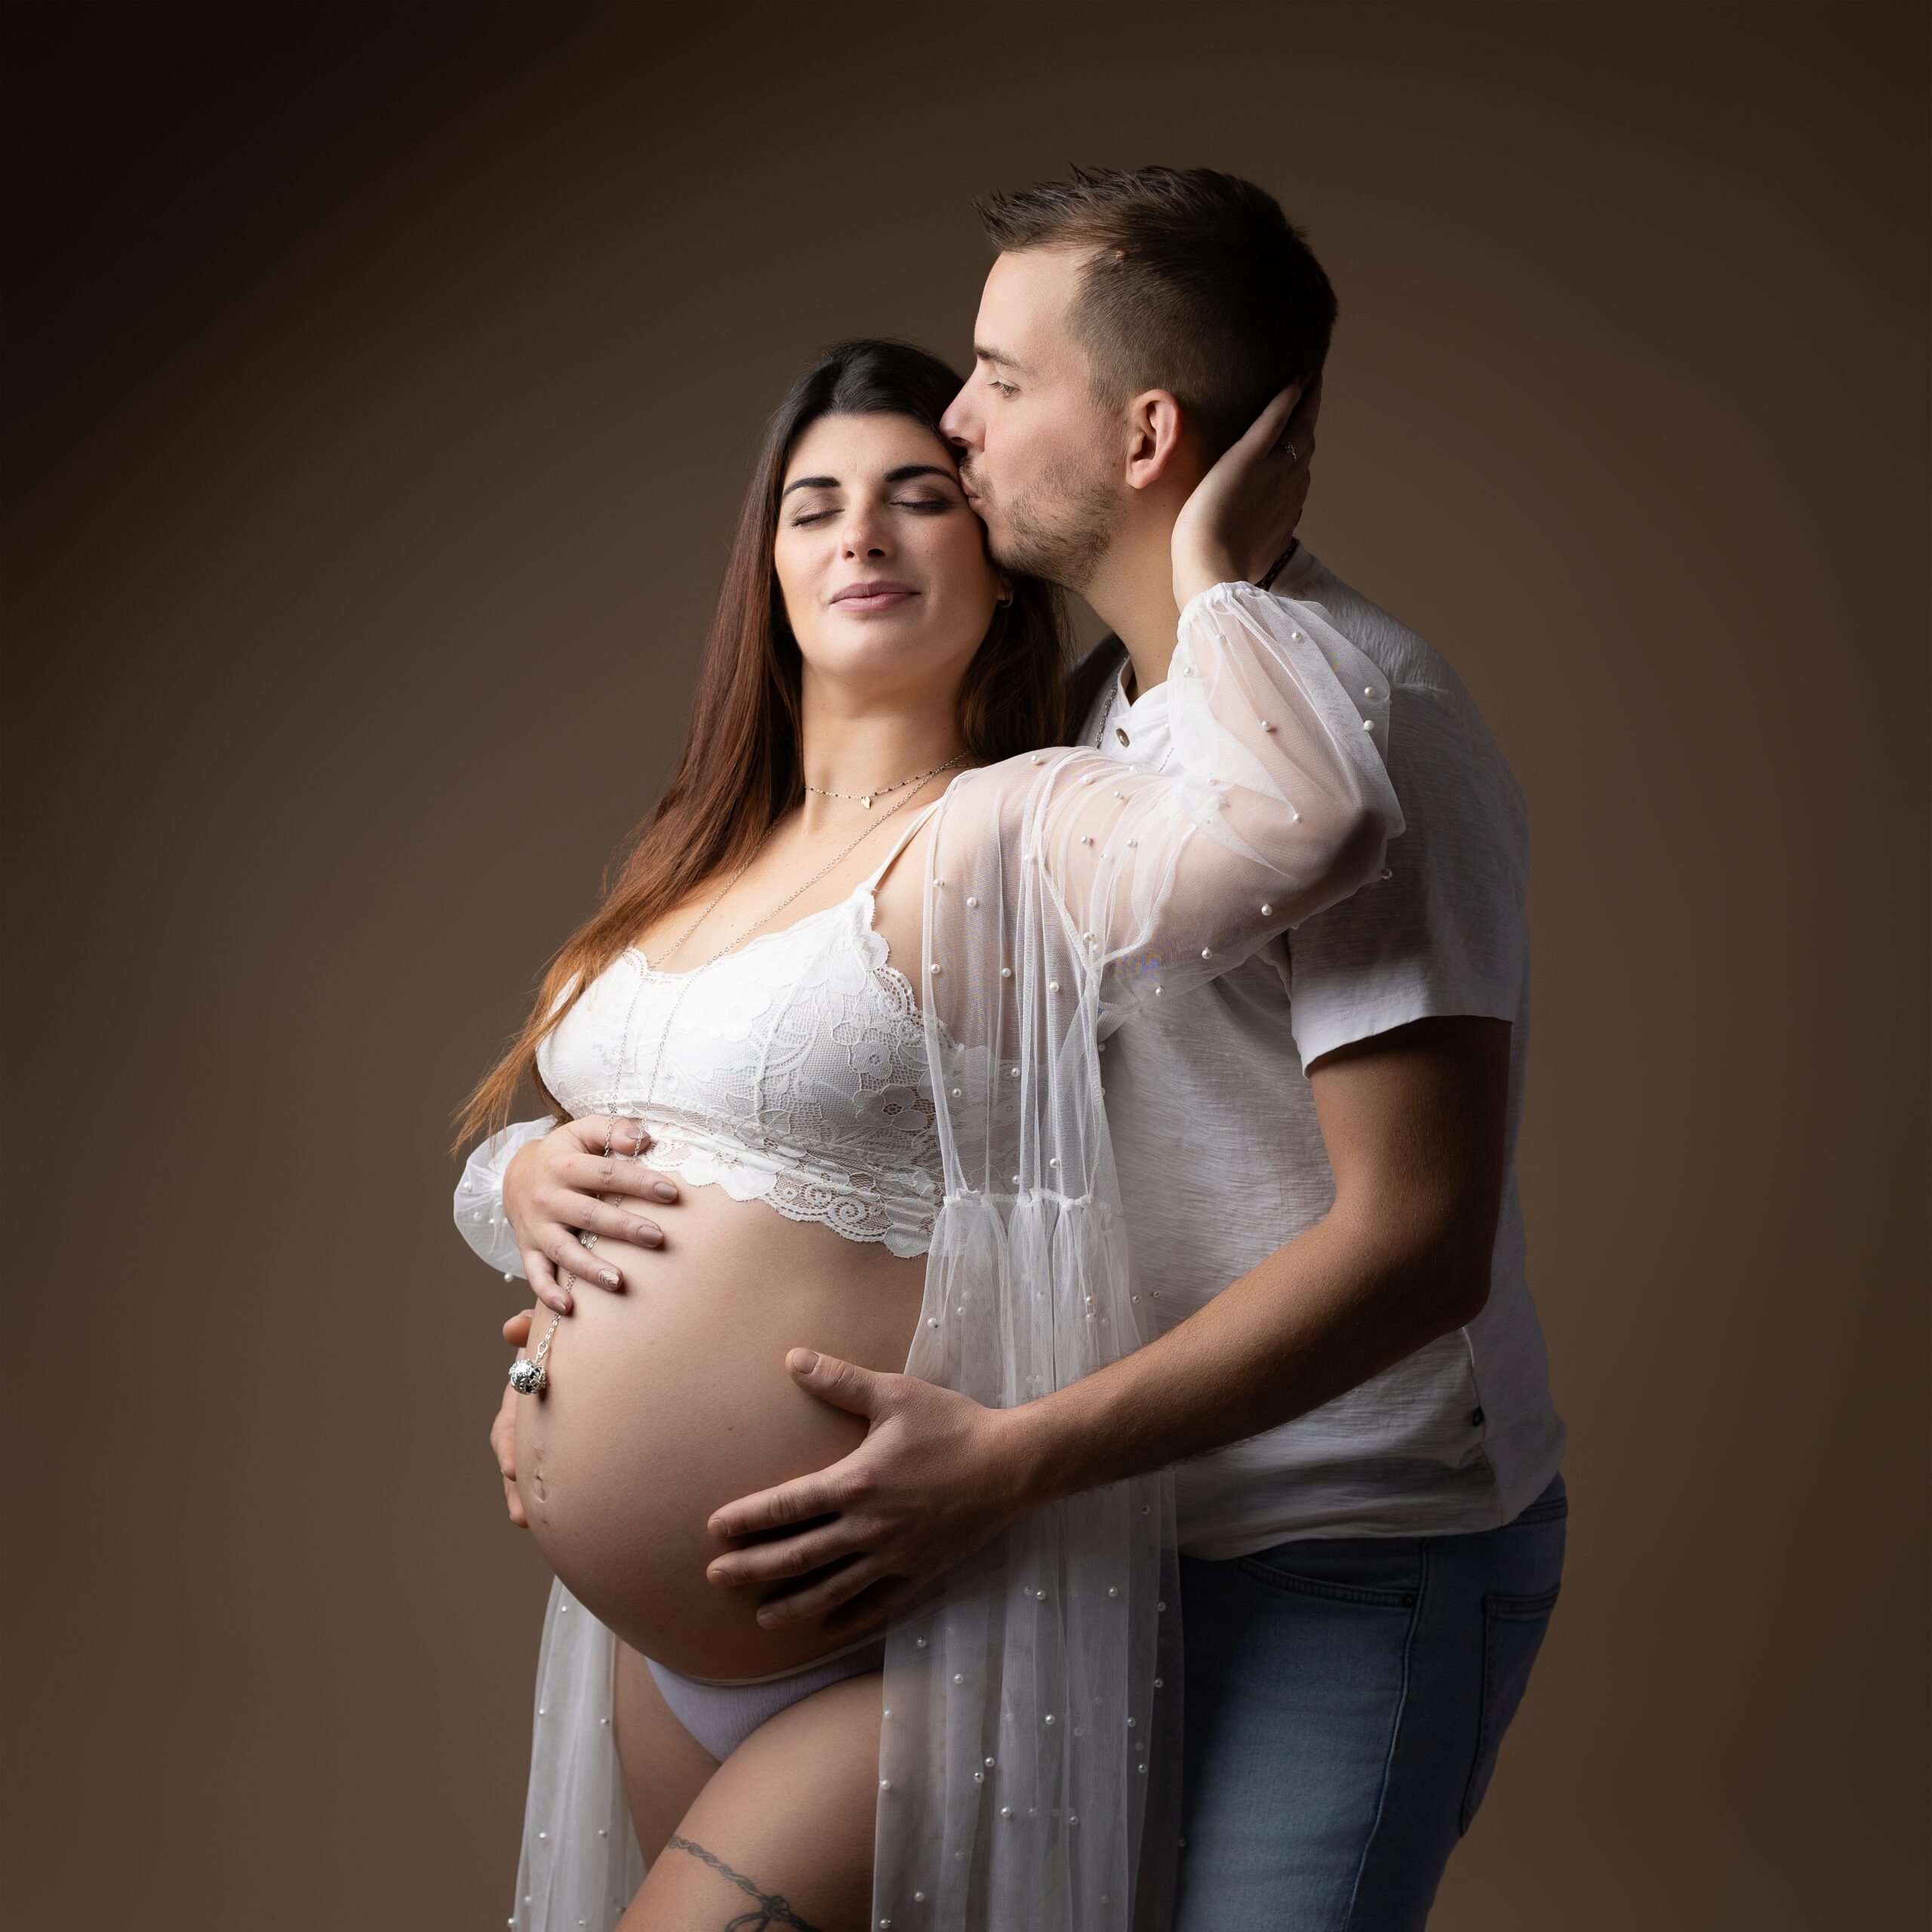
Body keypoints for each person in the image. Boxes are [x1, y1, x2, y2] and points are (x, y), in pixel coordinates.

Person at [507, 168, 1569, 1930]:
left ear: (1146, 434)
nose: (957, 416)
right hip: (1076, 1528)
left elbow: (1415, 1242)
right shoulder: (1081, 732)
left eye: (999, 379)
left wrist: (1013, 1457)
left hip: (1321, 1538)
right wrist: (538, 1219)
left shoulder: (1360, 719)